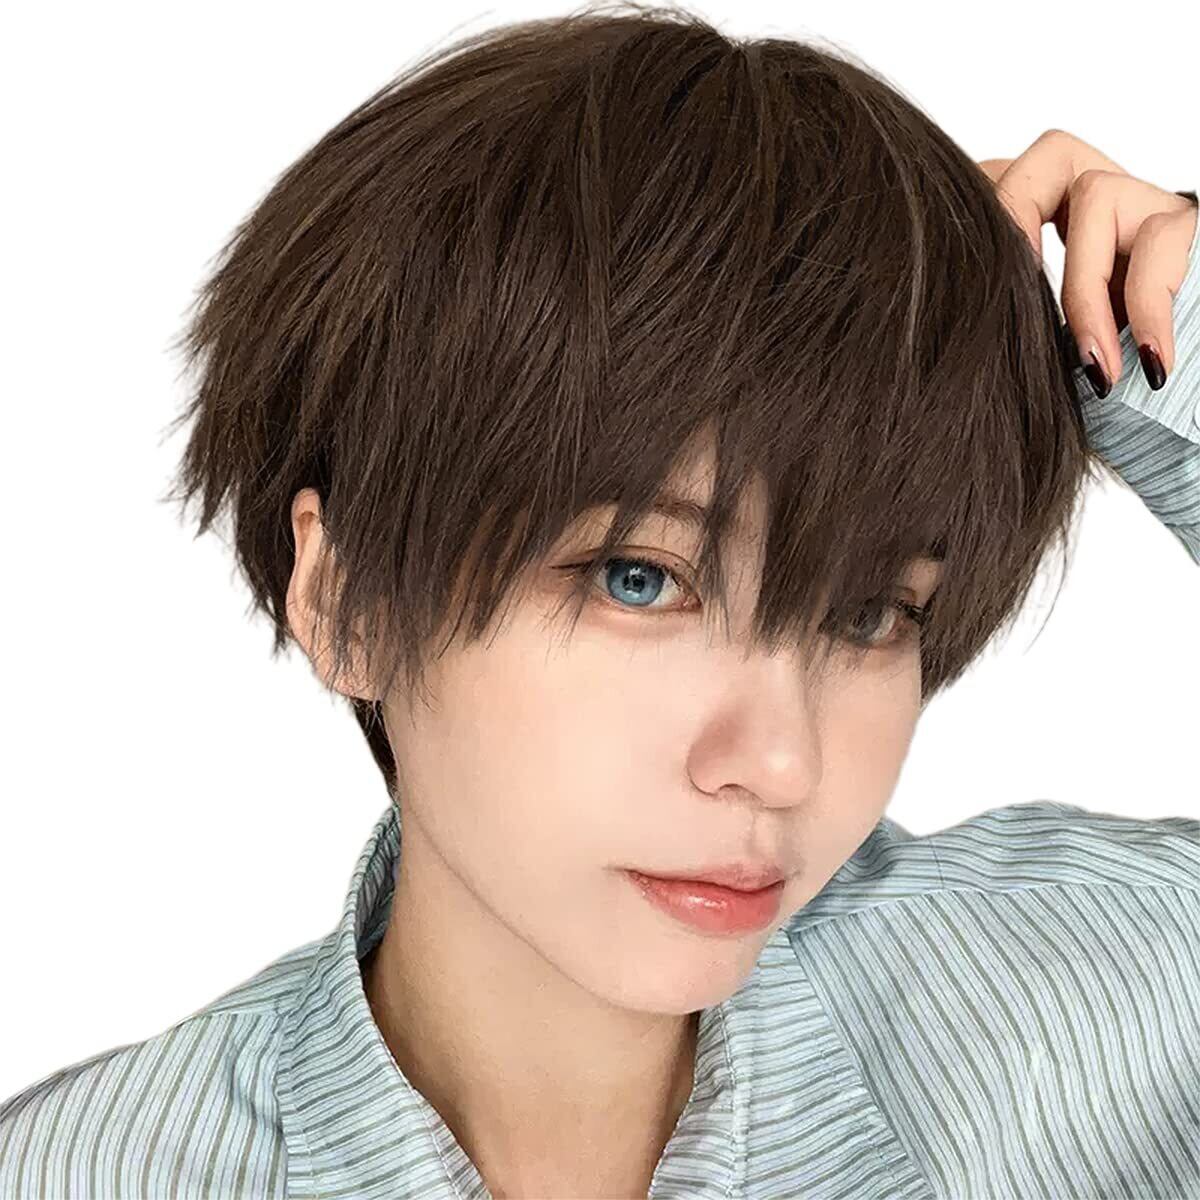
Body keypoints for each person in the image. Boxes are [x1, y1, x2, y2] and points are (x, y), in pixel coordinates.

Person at [2, 6, 1197, 1198]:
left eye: (868, 615)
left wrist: (1172, 354)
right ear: (348, 602)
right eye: (643, 579)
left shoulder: (1098, 1005)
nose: (781, 764)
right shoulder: (88, 1175)